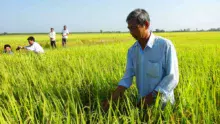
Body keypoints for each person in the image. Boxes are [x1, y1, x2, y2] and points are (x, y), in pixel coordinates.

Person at [102, 9, 179, 111]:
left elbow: (172, 78)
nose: (131, 32)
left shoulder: (165, 46)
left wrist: (149, 99)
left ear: (146, 25)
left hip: (164, 107)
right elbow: (127, 78)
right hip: (142, 106)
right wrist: (112, 99)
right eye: (129, 29)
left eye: (134, 28)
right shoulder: (132, 51)